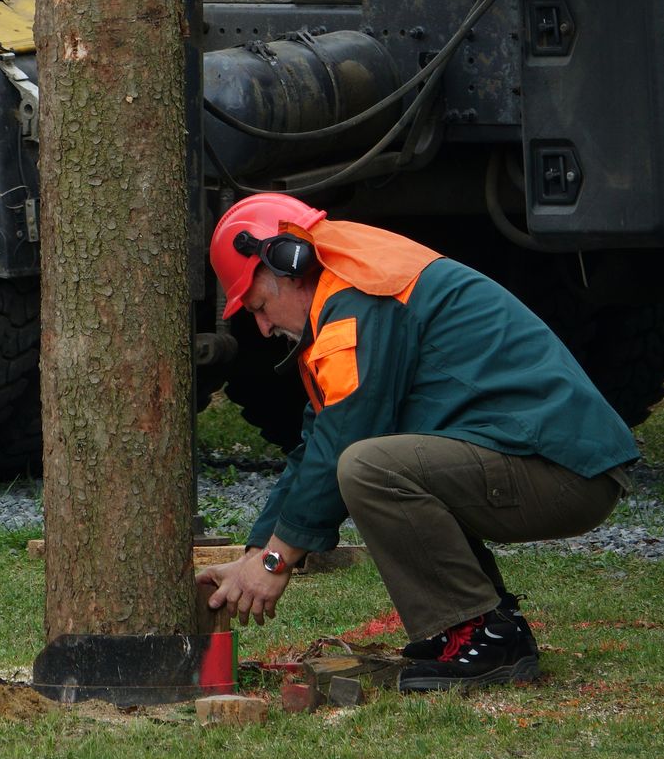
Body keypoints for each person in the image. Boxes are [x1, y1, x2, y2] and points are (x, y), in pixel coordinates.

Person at [195, 192, 637, 691]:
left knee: (368, 467)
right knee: (377, 463)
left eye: (258, 305)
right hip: (553, 462)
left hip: (564, 471)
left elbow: (343, 444)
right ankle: (483, 627)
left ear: (289, 264)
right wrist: (258, 552)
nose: (262, 325)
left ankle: (481, 635)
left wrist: (276, 562)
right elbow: (318, 438)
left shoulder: (359, 297)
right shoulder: (350, 284)